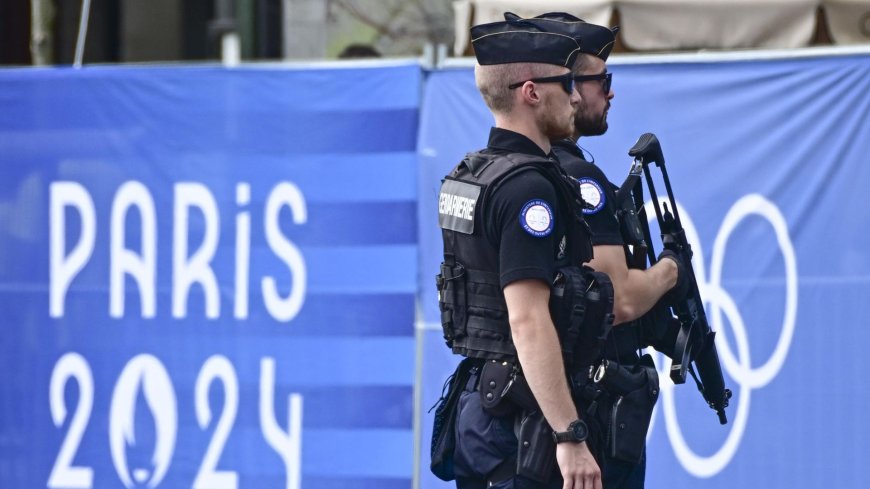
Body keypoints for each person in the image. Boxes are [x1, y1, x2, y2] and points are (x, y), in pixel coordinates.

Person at [502, 12, 690, 489]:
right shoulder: (576, 180)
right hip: (575, 415)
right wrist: (672, 270)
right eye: (597, 79)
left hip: (520, 412)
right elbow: (620, 300)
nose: (608, 91)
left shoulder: (510, 168)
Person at [432, 17, 617, 489]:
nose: (576, 97)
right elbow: (527, 319)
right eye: (567, 84)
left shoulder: (473, 174)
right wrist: (569, 434)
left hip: (483, 406)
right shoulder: (528, 188)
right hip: (521, 424)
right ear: (531, 92)